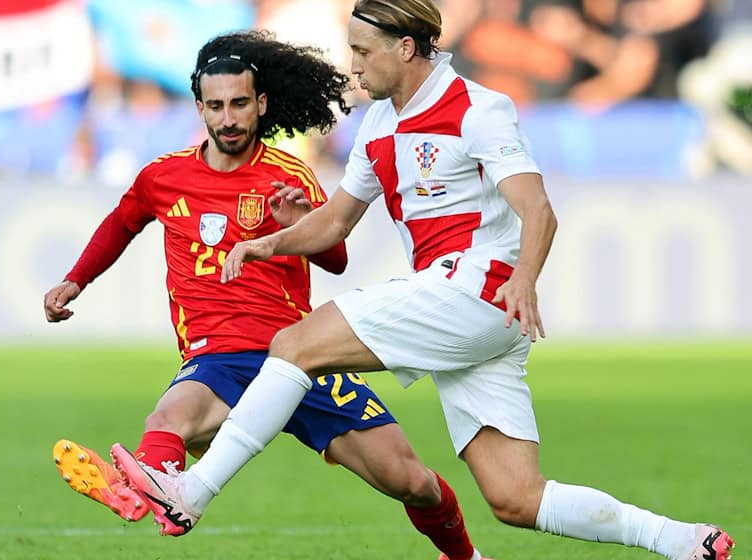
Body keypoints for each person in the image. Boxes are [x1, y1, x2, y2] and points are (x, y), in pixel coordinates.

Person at [110, 3, 736, 560]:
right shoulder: (379, 126)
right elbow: (334, 222)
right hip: (470, 314)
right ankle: (680, 540)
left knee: (295, 344)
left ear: (403, 48)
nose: (352, 66)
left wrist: (524, 279)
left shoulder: (477, 109)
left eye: (361, 52)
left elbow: (539, 208)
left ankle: (192, 491)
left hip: (477, 288)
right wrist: (268, 242)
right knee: (515, 498)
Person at [46, 30, 491, 560]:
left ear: (260, 104)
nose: (228, 118)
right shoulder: (163, 177)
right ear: (200, 108)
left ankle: (464, 557)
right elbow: (120, 224)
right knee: (168, 419)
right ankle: (143, 489)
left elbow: (337, 258)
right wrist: (76, 279)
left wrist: (301, 221)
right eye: (216, 106)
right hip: (219, 357)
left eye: (239, 104)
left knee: (410, 480)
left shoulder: (288, 176)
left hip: (301, 354)